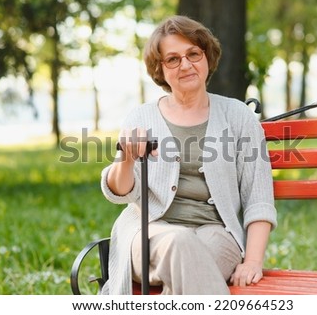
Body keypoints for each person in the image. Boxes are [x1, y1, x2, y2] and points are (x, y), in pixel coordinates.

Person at [100, 15, 277, 295]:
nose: (185, 65)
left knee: (191, 262)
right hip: (149, 232)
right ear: (160, 69)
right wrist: (126, 159)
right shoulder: (141, 117)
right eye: (172, 59)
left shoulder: (238, 116)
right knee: (179, 241)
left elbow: (259, 198)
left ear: (206, 57)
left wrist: (253, 261)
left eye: (193, 54)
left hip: (218, 233)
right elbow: (119, 192)